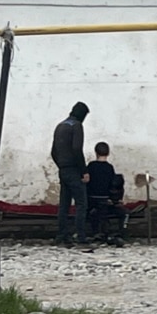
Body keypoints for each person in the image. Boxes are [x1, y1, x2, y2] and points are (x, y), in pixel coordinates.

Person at [51, 101, 90, 246]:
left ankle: (62, 234)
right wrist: (83, 171)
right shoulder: (77, 126)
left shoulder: (60, 126)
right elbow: (77, 149)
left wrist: (61, 165)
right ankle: (80, 235)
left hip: (63, 169)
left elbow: (53, 151)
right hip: (74, 169)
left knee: (64, 204)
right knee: (81, 203)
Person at [86, 141, 128, 247]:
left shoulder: (91, 166)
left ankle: (96, 232)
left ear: (96, 152)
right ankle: (119, 233)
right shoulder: (109, 168)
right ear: (108, 153)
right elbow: (112, 186)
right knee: (123, 212)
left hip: (92, 200)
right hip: (105, 200)